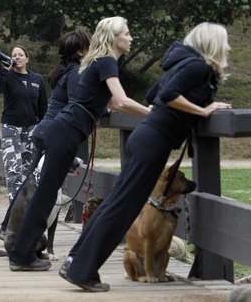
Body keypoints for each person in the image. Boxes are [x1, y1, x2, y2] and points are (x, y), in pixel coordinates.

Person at [60, 22, 232, 292]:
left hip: (148, 139)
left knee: (118, 204)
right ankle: (82, 270)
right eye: (225, 42)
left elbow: (153, 95)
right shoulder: (198, 66)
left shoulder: (185, 63)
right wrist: (202, 110)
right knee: (122, 208)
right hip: (153, 142)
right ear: (212, 44)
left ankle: (75, 262)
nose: (229, 47)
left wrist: (174, 115)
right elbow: (167, 95)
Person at [8, 16, 151, 273]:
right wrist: (152, 112)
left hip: (63, 131)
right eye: (127, 34)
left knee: (45, 194)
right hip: (64, 132)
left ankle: (22, 252)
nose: (131, 39)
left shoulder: (99, 61)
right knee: (45, 195)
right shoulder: (107, 61)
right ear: (113, 37)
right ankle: (21, 255)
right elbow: (120, 101)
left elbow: (108, 102)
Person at [0, 30, 91, 239]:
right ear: (80, 51)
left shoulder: (62, 71)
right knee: (38, 186)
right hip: (49, 133)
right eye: (87, 46)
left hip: (41, 131)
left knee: (31, 182)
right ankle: (14, 230)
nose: (90, 49)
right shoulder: (74, 72)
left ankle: (7, 227)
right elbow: (78, 102)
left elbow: (55, 104)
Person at [0, 45, 48, 205]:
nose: (17, 57)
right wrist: (4, 71)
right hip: (10, 127)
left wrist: (44, 130)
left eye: (21, 54)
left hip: (31, 128)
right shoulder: (7, 75)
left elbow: (43, 107)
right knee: (13, 168)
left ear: (27, 59)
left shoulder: (37, 79)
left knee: (28, 170)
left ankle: (26, 206)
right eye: (14, 55)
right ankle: (14, 209)